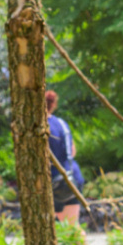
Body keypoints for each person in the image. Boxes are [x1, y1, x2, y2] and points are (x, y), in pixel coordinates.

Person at [44, 88, 84, 226]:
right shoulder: (61, 123)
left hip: (55, 182)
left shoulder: (40, 127)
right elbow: (72, 151)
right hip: (73, 177)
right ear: (53, 105)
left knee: (61, 228)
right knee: (73, 226)